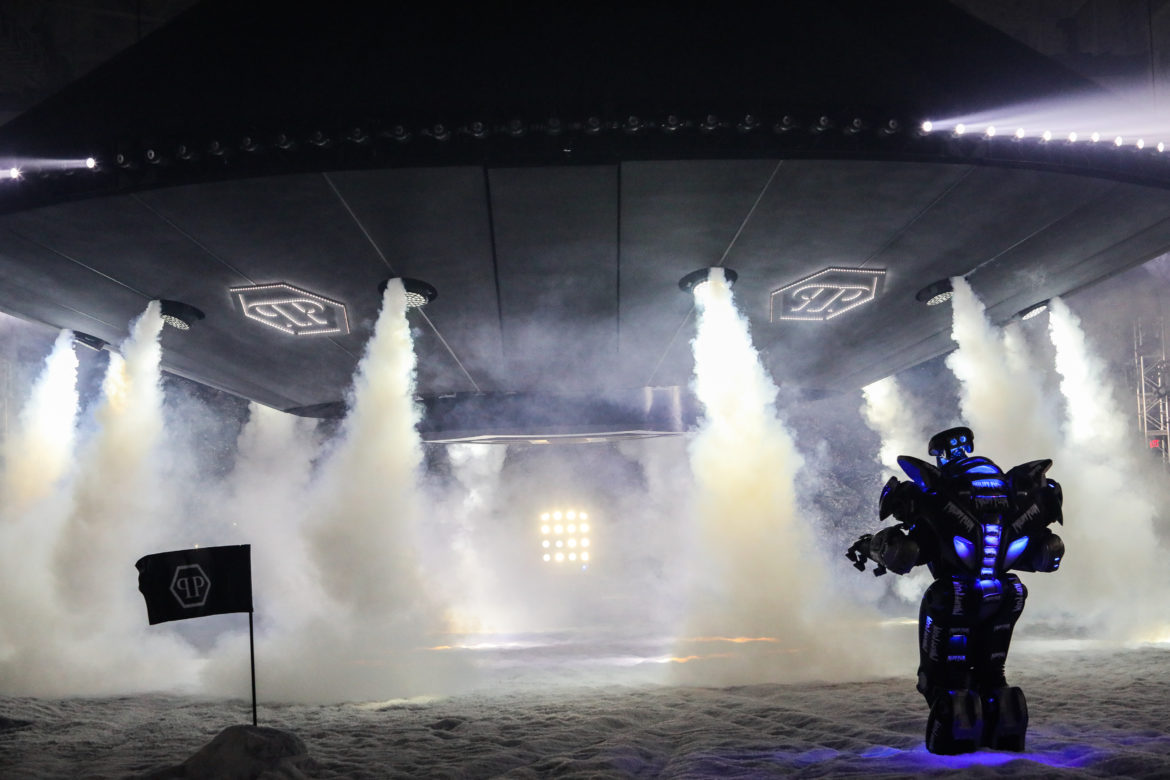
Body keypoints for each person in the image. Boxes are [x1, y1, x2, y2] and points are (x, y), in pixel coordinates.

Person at [846, 426, 1064, 755]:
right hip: (1007, 593)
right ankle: (1005, 733)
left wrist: (869, 546)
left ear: (941, 454)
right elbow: (1044, 551)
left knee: (941, 678)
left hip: (955, 596)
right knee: (992, 674)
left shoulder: (938, 491)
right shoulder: (1013, 489)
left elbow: (905, 553)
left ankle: (953, 742)